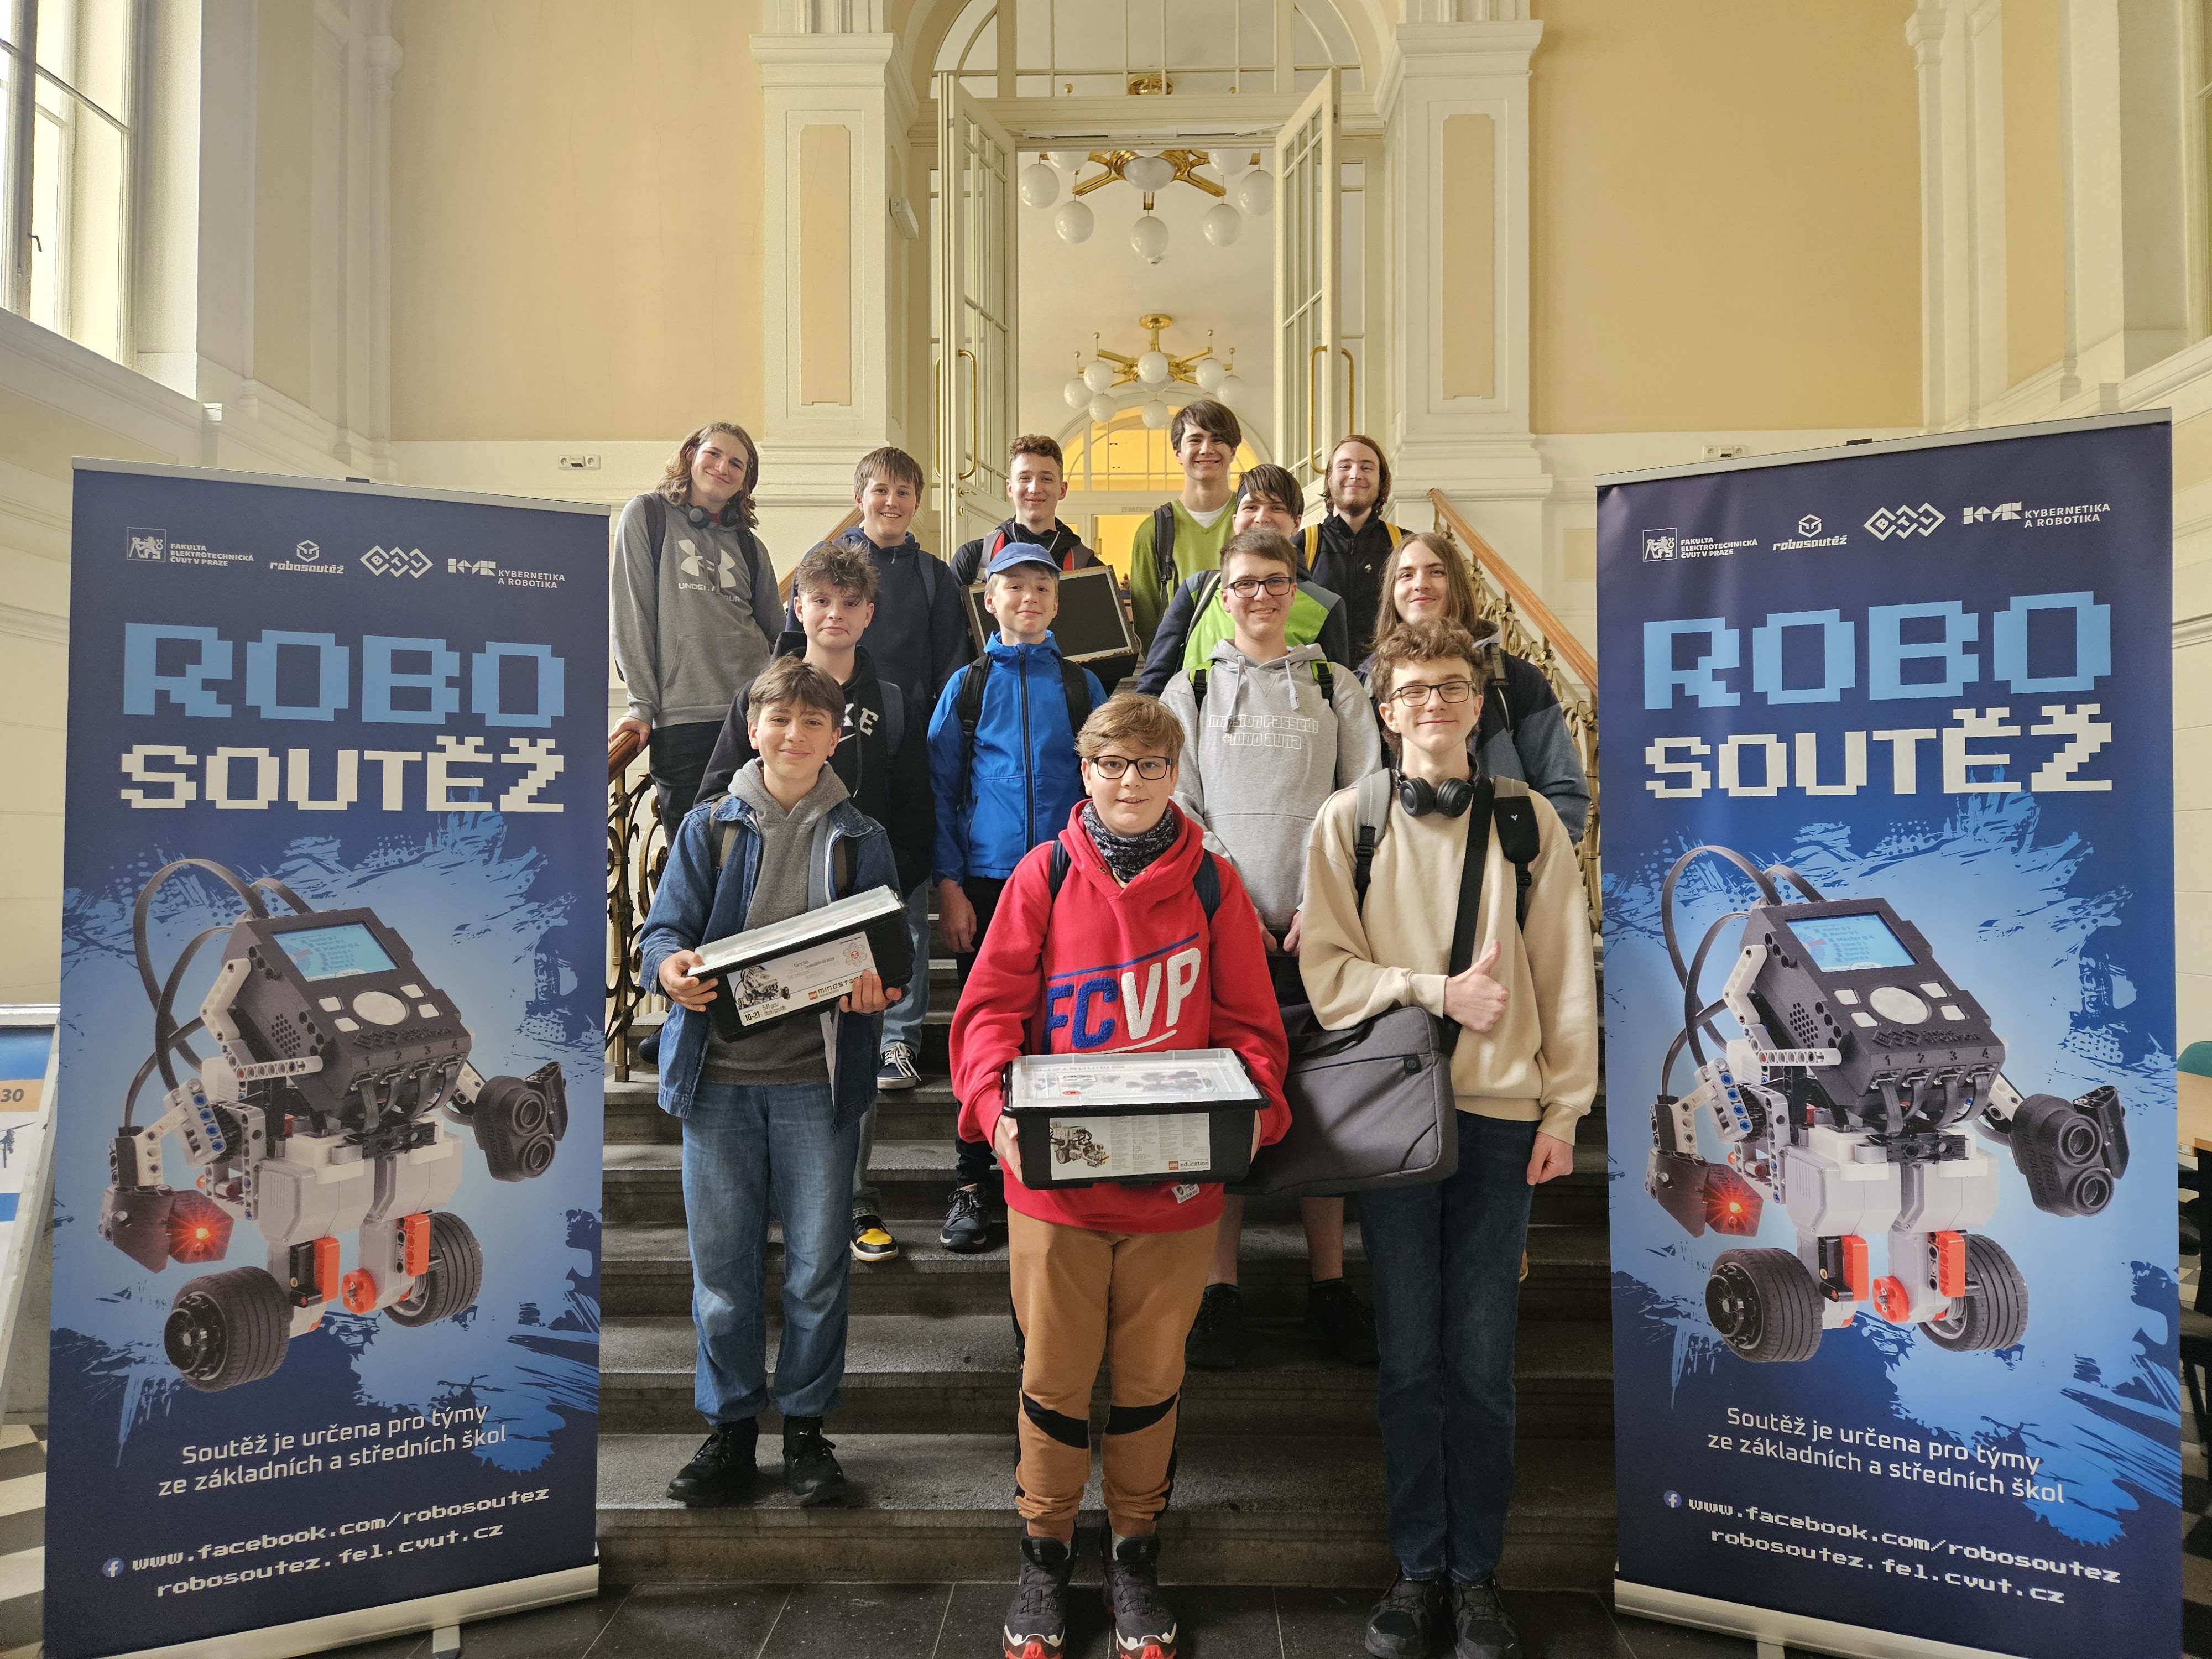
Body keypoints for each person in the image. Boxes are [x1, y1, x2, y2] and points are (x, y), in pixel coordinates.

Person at [950, 692, 1291, 1659]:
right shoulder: (1043, 873)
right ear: (1086, 772)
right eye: (1111, 765)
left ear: (1175, 775)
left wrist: (1254, 1112)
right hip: (1057, 1190)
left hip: (1175, 1192)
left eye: (1149, 766)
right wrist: (995, 1113)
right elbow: (988, 1013)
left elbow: (1252, 1029)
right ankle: (1046, 1554)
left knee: (1149, 1383)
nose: (1129, 783)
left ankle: (1135, 1554)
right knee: (1053, 1381)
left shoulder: (1214, 882)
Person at [1298, 618, 1596, 1659]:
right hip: (1394, 1119)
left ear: (1477, 704)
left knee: (1481, 1363)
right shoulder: (1350, 821)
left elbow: (1564, 972)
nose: (1434, 703)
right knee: (1409, 1360)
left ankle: (1478, 1579)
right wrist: (1433, 989)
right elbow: (1328, 975)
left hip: (1504, 1119)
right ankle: (1418, 1568)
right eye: (1415, 689)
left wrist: (1565, 1110)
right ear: (1386, 712)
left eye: (1453, 687)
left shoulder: (1527, 821)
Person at [639, 655, 914, 1514]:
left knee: (816, 1271)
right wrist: (671, 970)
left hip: (814, 1084)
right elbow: (662, 934)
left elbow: (889, 956)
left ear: (836, 738)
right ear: (753, 729)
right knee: (722, 1274)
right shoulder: (709, 828)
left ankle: (805, 1430)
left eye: (812, 722)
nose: (794, 735)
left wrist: (879, 990)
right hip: (718, 1082)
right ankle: (729, 1431)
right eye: (778, 719)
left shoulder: (862, 837)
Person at [1155, 526, 1384, 1373]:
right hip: (1224, 931)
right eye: (1245, 583)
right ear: (1224, 596)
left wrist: (1322, 900)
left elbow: (1363, 801)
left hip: (1319, 934)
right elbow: (1182, 808)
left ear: (1295, 592)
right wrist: (1235, 905)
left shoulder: (1334, 683)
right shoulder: (1191, 688)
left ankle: (1329, 1285)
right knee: (1228, 1104)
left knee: (1321, 1103)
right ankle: (1221, 1290)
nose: (1260, 595)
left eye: (1274, 581)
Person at [694, 540, 935, 1266]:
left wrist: (879, 901)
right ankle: (773, 1206)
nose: (834, 614)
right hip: (765, 913)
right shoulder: (759, 694)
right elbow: (713, 798)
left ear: (869, 614)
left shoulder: (894, 701)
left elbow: (916, 812)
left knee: (851, 1052)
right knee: (771, 1062)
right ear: (797, 608)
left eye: (849, 603)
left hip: (854, 909)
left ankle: (854, 1203)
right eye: (820, 600)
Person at [928, 546, 1108, 1254]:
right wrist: (948, 885)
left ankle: (1055, 1168)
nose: (1027, 597)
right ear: (990, 600)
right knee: (983, 1031)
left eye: (1040, 587)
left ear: (1057, 603)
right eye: (1013, 587)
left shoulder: (1082, 686)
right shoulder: (967, 687)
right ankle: (973, 1181)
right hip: (987, 879)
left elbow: (1106, 788)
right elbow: (941, 790)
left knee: (1060, 1026)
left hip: (1069, 878)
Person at [793, 446, 975, 1094]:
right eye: (879, 490)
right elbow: (794, 645)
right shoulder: (825, 564)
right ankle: (809, 1025)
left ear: (917, 502)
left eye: (903, 492)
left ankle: (898, 1038)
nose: (891, 502)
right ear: (859, 497)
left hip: (902, 737)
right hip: (821, 735)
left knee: (902, 890)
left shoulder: (932, 575)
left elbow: (952, 662)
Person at [1362, 531, 1592, 844]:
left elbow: (1564, 793)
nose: (1420, 584)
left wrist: (1523, 862)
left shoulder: (1518, 680)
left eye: (1436, 571)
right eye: (1406, 575)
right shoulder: (1367, 685)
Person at [610, 422, 782, 827]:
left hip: (750, 719)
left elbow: (778, 634)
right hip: (682, 721)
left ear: (745, 481)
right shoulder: (647, 516)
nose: (723, 467)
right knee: (691, 850)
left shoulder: (750, 545)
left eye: (737, 463)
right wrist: (641, 705)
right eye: (714, 454)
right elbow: (632, 616)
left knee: (756, 848)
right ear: (691, 456)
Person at [1131, 462, 1353, 695]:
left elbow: (1336, 692)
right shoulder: (1197, 590)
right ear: (1235, 520)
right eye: (1251, 507)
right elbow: (1154, 684)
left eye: (1276, 508)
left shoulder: (1326, 606)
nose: (1262, 517)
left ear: (1296, 523)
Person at [1125, 398, 1241, 650]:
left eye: (1218, 439)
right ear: (1178, 452)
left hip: (1247, 665)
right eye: (1195, 440)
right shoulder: (1152, 531)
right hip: (1179, 669)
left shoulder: (1254, 519)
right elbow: (1147, 626)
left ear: (1233, 451)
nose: (1207, 449)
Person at [1300, 435, 1404, 658]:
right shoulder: (1302, 546)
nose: (1355, 475)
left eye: (1366, 468)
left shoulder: (1404, 545)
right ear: (1329, 478)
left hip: (1388, 673)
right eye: (1345, 466)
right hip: (1320, 676)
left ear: (1381, 481)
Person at [950, 434, 1103, 585]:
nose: (1035, 489)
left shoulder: (1090, 569)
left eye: (1046, 479)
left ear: (1062, 490)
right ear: (1010, 488)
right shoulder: (973, 559)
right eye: (1025, 478)